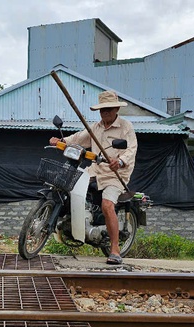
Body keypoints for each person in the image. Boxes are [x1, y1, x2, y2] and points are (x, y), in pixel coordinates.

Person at [49, 90, 138, 265]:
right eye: (102, 110)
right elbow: (78, 138)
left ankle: (115, 249)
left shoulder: (126, 127)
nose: (105, 113)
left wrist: (119, 162)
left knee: (107, 205)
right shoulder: (95, 128)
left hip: (116, 175)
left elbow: (131, 150)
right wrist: (61, 141)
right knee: (67, 186)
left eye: (109, 109)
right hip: (95, 170)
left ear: (116, 109)